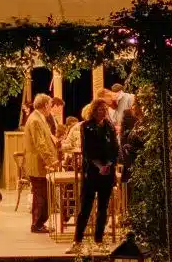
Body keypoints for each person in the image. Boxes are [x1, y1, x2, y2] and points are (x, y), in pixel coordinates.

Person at [70, 97, 120, 253]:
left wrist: (109, 164)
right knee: (85, 207)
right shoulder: (86, 126)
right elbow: (87, 150)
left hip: (107, 171)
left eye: (105, 109)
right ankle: (77, 241)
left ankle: (99, 240)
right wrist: (98, 165)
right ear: (94, 110)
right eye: (100, 109)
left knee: (103, 208)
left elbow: (114, 148)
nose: (103, 112)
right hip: (92, 171)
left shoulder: (110, 126)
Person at [20, 94, 59, 234]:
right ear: (44, 105)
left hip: (41, 164)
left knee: (43, 194)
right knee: (41, 195)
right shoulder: (36, 120)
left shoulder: (38, 118)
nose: (51, 107)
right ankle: (37, 224)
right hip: (38, 164)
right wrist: (51, 161)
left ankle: (39, 223)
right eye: (49, 104)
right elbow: (40, 144)